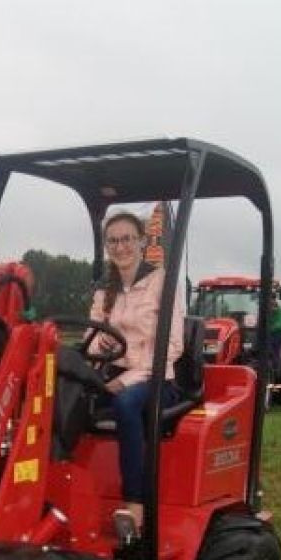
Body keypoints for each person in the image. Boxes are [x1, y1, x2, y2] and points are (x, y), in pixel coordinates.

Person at [88, 210, 184, 537]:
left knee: (126, 404)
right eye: (113, 241)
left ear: (142, 242)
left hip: (156, 378)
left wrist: (125, 381)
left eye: (127, 238)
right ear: (106, 247)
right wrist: (97, 346)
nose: (121, 246)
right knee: (60, 394)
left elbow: (172, 345)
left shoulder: (162, 282)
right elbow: (92, 341)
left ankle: (136, 505)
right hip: (114, 371)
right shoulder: (105, 291)